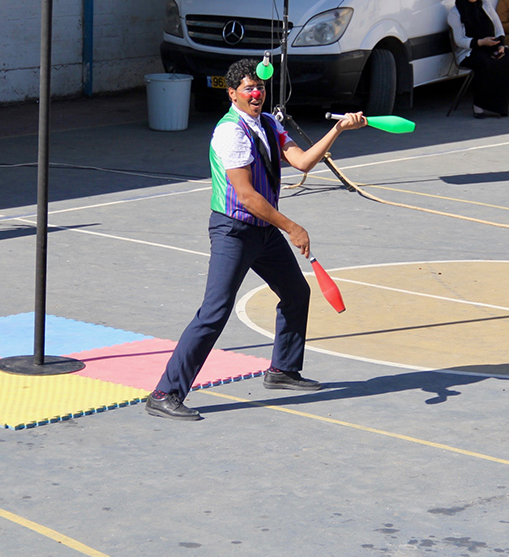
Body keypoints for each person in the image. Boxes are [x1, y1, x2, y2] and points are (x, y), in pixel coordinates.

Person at [144, 59, 367, 421]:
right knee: (214, 311)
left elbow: (302, 162)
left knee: (295, 293)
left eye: (259, 88)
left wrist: (338, 128)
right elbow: (247, 197)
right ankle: (164, 392)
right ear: (232, 94)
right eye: (248, 89)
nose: (256, 94)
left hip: (263, 229)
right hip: (234, 230)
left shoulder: (268, 123)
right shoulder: (230, 133)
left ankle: (282, 371)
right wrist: (291, 227)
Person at [447, 0, 509, 118]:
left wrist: (501, 45)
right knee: (487, 65)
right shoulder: (455, 13)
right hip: (470, 51)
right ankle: (479, 105)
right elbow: (459, 40)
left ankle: (499, 105)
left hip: (491, 46)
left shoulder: (485, 5)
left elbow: (498, 28)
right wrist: (481, 42)